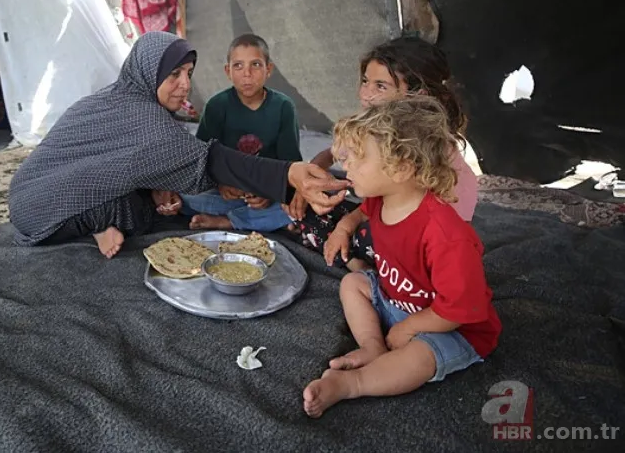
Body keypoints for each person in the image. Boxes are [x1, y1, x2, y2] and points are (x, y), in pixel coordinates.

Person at [8, 31, 348, 257]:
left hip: (28, 189)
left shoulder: (115, 97)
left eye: (189, 73)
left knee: (165, 195)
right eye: (174, 75)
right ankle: (100, 224)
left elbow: (131, 164)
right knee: (140, 214)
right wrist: (289, 175)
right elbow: (210, 160)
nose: (185, 85)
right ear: (149, 72)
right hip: (39, 211)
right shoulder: (143, 117)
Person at [302, 97, 501, 418]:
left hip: (449, 327)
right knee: (353, 283)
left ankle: (352, 383)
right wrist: (342, 227)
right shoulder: (384, 199)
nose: (347, 164)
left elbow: (458, 310)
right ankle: (372, 345)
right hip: (397, 299)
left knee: (418, 359)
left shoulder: (446, 236)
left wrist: (409, 328)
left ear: (402, 168)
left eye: (358, 157)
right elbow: (361, 214)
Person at [290, 36, 478, 269]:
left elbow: (400, 216)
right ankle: (357, 261)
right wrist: (309, 182)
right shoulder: (375, 128)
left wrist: (346, 226)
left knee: (367, 235)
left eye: (381, 86)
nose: (366, 93)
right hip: (380, 215)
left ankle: (362, 268)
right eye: (365, 81)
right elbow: (332, 154)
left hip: (421, 243)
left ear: (419, 95)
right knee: (309, 205)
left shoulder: (427, 150)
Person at [181, 34, 301, 232]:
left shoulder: (283, 107)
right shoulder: (216, 106)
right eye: (238, 66)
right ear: (228, 71)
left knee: (296, 204)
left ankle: (226, 221)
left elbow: (290, 164)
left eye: (255, 64)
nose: (247, 74)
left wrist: (270, 192)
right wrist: (220, 184)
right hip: (226, 192)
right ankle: (250, 219)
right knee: (187, 194)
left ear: (268, 69)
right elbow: (200, 158)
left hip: (265, 191)